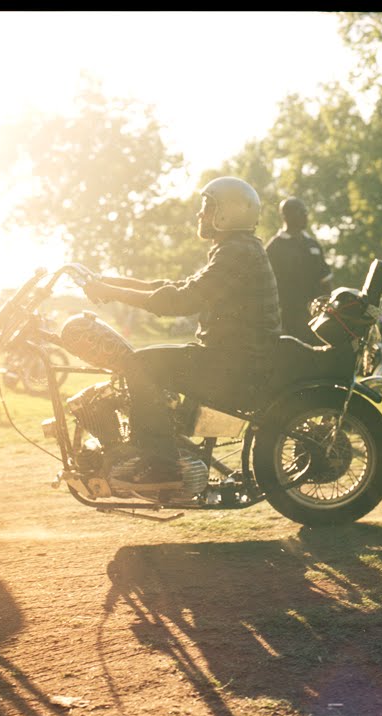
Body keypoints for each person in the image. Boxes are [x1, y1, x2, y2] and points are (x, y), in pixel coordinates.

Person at [82, 176, 282, 491]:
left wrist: (112, 292)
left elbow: (181, 300)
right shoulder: (237, 248)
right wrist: (109, 281)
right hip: (233, 359)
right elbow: (173, 287)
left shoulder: (236, 252)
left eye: (208, 207)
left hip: (233, 365)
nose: (200, 214)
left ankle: (161, 465)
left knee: (139, 364)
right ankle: (155, 451)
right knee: (147, 363)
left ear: (227, 213)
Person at [265, 197, 334, 344]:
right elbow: (267, 288)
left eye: (306, 212)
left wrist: (329, 312)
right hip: (288, 320)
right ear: (286, 215)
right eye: (301, 212)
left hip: (316, 318)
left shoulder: (313, 244)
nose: (306, 216)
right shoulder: (274, 247)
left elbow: (326, 282)